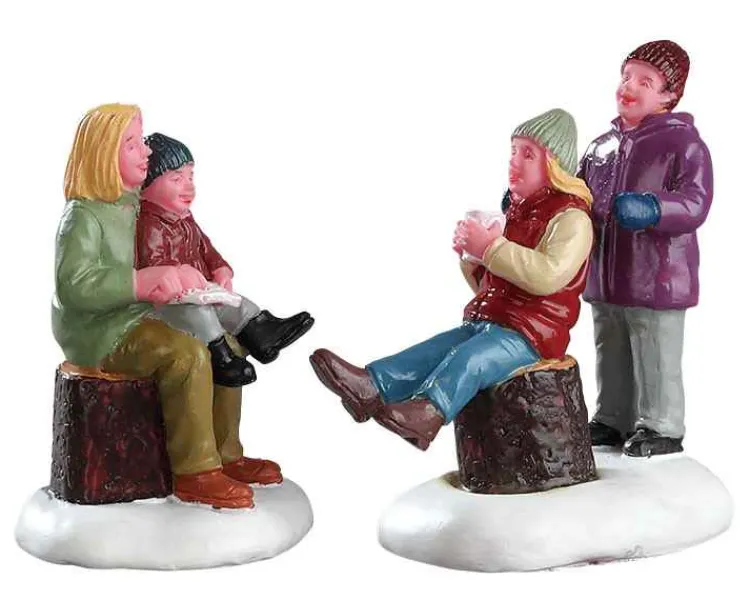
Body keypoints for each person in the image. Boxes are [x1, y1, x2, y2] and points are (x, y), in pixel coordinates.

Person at [310, 109, 594, 450]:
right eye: (513, 151)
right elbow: (503, 286)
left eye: (528, 154)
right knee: (437, 349)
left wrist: (490, 248)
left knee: (470, 360)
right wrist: (474, 260)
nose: (514, 161)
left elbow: (547, 277)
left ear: (554, 165)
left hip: (534, 335)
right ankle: (372, 386)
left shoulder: (572, 219)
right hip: (495, 323)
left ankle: (428, 414)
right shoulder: (518, 212)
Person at [53, 104, 281, 509]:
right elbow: (75, 287)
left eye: (141, 142)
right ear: (103, 154)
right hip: (101, 332)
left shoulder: (135, 205)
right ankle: (195, 470)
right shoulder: (84, 215)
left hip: (145, 313)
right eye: (131, 144)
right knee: (186, 354)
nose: (145, 151)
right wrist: (140, 282)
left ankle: (226, 453)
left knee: (228, 343)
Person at [578, 40, 713, 457]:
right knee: (611, 348)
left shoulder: (683, 144)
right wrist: (540, 202)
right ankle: (612, 416)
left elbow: (696, 202)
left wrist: (655, 208)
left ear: (669, 94)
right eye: (626, 76)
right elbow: (576, 195)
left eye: (644, 81)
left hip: (657, 277)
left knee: (654, 350)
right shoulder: (600, 147)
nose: (629, 86)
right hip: (606, 273)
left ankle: (661, 423)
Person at [136, 133, 314, 388]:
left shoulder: (185, 219)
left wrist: (220, 268)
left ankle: (262, 334)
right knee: (201, 315)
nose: (188, 187)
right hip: (170, 302)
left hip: (199, 291)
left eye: (190, 177)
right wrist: (178, 276)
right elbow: (152, 266)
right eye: (177, 179)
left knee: (234, 303)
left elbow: (206, 248)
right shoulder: (149, 224)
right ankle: (220, 357)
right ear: (147, 184)